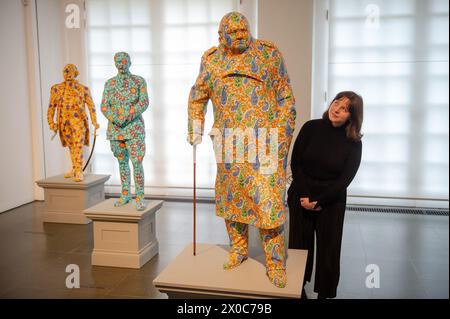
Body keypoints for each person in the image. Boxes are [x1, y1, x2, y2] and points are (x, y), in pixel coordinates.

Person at [187, 12, 296, 288]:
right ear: (221, 36)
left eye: (244, 30)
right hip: (228, 141)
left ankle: (274, 262)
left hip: (265, 142)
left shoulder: (268, 55)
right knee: (232, 199)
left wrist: (283, 133)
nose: (240, 35)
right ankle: (238, 250)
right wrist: (195, 128)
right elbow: (197, 96)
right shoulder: (211, 60)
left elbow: (285, 96)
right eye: (233, 32)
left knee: (268, 204)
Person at [288, 91, 363, 298]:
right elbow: (296, 163)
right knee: (299, 246)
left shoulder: (354, 142)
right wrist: (305, 196)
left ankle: (325, 292)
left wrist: (320, 200)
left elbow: (345, 179)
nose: (337, 109)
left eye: (345, 108)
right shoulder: (311, 127)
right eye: (336, 102)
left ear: (352, 116)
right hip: (301, 194)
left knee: (329, 250)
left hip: (331, 200)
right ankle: (297, 284)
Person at [101, 52, 149, 211]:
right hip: (115, 130)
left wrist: (128, 116)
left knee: (137, 162)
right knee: (122, 162)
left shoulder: (138, 81)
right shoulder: (110, 83)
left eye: (123, 61)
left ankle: (140, 196)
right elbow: (104, 106)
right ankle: (125, 193)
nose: (120, 64)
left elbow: (144, 102)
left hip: (134, 129)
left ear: (129, 62)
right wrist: (115, 118)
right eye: (117, 61)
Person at [48, 64, 99, 182]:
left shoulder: (83, 89)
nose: (68, 73)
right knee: (71, 146)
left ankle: (79, 170)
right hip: (64, 122)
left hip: (78, 121)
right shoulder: (56, 88)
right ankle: (75, 168)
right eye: (65, 71)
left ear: (76, 73)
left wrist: (94, 121)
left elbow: (91, 106)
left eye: (70, 71)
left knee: (78, 145)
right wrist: (52, 123)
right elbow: (51, 107)